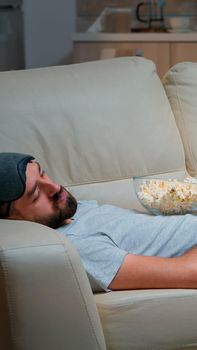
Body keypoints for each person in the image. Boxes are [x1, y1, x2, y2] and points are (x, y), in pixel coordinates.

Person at [1, 152, 197, 292]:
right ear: (12, 220)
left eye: (43, 173)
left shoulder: (67, 211)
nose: (55, 187)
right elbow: (189, 273)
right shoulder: (75, 248)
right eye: (36, 194)